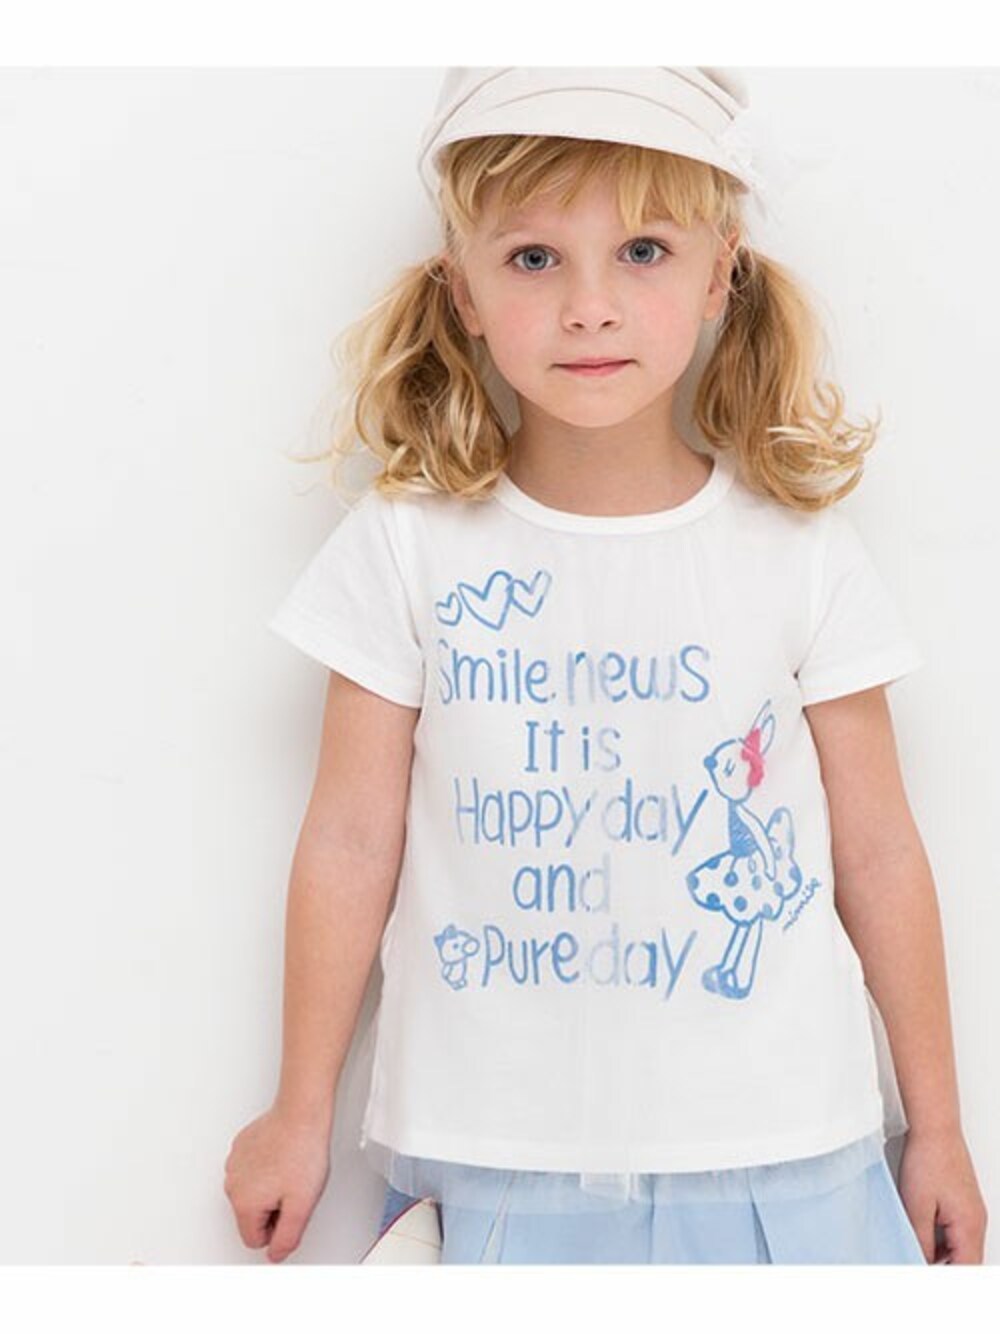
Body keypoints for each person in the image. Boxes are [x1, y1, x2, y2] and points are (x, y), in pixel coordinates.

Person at [223, 67, 988, 1265]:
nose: (589, 307)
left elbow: (879, 850)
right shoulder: (406, 544)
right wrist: (298, 1108)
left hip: (783, 1151)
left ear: (719, 273)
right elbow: (349, 842)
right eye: (533, 257)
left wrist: (937, 1123)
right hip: (498, 1159)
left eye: (642, 250)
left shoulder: (797, 551)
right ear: (463, 291)